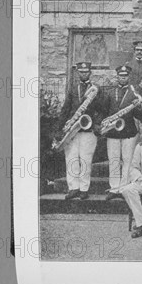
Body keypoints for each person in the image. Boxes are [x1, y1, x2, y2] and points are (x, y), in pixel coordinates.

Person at [57, 62, 104, 200]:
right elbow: (65, 109)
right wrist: (60, 129)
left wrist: (96, 124)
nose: (84, 74)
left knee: (85, 160)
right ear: (78, 73)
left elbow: (101, 110)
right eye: (81, 72)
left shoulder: (96, 89)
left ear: (90, 73)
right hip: (72, 130)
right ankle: (73, 188)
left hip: (88, 130)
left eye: (86, 72)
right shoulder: (72, 89)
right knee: (71, 159)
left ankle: (84, 188)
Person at [103, 65, 142, 201]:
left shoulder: (134, 92)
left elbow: (138, 115)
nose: (123, 78)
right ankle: (114, 188)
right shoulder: (109, 92)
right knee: (114, 160)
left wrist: (138, 106)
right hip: (113, 131)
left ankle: (124, 188)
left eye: (125, 76)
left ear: (128, 77)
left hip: (129, 132)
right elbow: (104, 111)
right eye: (121, 76)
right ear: (117, 77)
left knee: (128, 160)